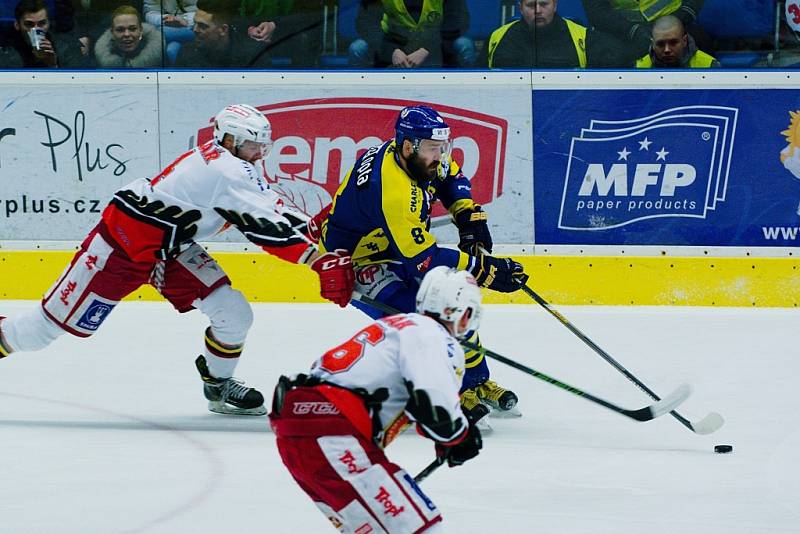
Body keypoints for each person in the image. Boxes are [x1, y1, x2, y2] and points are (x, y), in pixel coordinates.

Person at [0, 104, 355, 416]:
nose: (258, 153)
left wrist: (313, 237)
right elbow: (265, 227)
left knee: (233, 313)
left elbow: (271, 208)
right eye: (251, 145)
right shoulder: (225, 171)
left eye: (262, 145)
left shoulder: (231, 163)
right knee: (40, 331)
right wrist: (316, 259)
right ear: (229, 140)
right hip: (121, 249)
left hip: (169, 249)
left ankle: (218, 385)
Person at [316, 104, 527, 421]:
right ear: (407, 146)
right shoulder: (392, 191)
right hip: (359, 261)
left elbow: (451, 176)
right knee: (423, 323)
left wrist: (468, 216)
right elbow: (424, 259)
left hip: (392, 244)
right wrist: (486, 270)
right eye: (433, 149)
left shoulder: (417, 156)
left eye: (442, 148)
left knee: (453, 302)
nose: (439, 156)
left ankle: (476, 382)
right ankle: (444, 389)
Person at [270, 266, 485, 532]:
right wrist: (459, 435)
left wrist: (448, 439)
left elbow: (421, 409)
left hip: (298, 430)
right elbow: (435, 407)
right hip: (333, 433)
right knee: (422, 529)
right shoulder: (433, 336)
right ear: (464, 313)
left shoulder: (394, 326)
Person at [483, 0, 630, 68]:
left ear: (555, 5)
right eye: (530, 5)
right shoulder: (497, 38)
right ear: (520, 8)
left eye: (544, 4)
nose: (538, 10)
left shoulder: (583, 38)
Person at [348, 0, 476, 68]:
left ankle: (467, 96)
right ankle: (357, 101)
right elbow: (365, 23)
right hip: (393, 48)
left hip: (437, 47)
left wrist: (426, 50)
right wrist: (392, 50)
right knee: (358, 48)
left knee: (464, 45)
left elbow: (459, 21)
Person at [582, 0, 706, 59]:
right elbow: (596, 12)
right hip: (623, 32)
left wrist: (673, 24)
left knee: (698, 43)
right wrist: (632, 30)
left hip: (674, 24)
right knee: (604, 54)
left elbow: (693, 3)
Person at [174, 0, 270, 68]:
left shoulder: (252, 54)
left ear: (223, 30)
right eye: (195, 23)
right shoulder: (187, 53)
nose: (195, 30)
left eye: (202, 26)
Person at [239, 0, 325, 68]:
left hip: (291, 37)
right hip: (251, 37)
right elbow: (233, 11)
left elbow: (310, 16)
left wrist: (275, 25)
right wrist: (250, 28)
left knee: (303, 40)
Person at [7, 0, 88, 68]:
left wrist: (53, 65)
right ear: (17, 25)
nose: (36, 29)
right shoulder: (6, 49)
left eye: (42, 23)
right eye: (29, 24)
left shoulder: (66, 47)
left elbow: (77, 82)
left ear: (48, 23)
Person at [634, 14, 718, 68]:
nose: (667, 50)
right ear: (652, 44)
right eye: (660, 44)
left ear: (684, 41)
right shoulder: (639, 68)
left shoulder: (709, 66)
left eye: (673, 43)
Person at [94, 5, 163, 68]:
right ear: (112, 33)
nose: (126, 34)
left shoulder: (160, 60)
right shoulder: (101, 62)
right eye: (120, 30)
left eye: (132, 29)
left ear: (141, 30)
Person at [143, 0, 197, 66]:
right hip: (169, 27)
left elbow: (206, 10)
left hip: (195, 27)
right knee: (172, 50)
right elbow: (150, 13)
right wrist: (165, 18)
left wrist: (185, 19)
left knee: (158, 32)